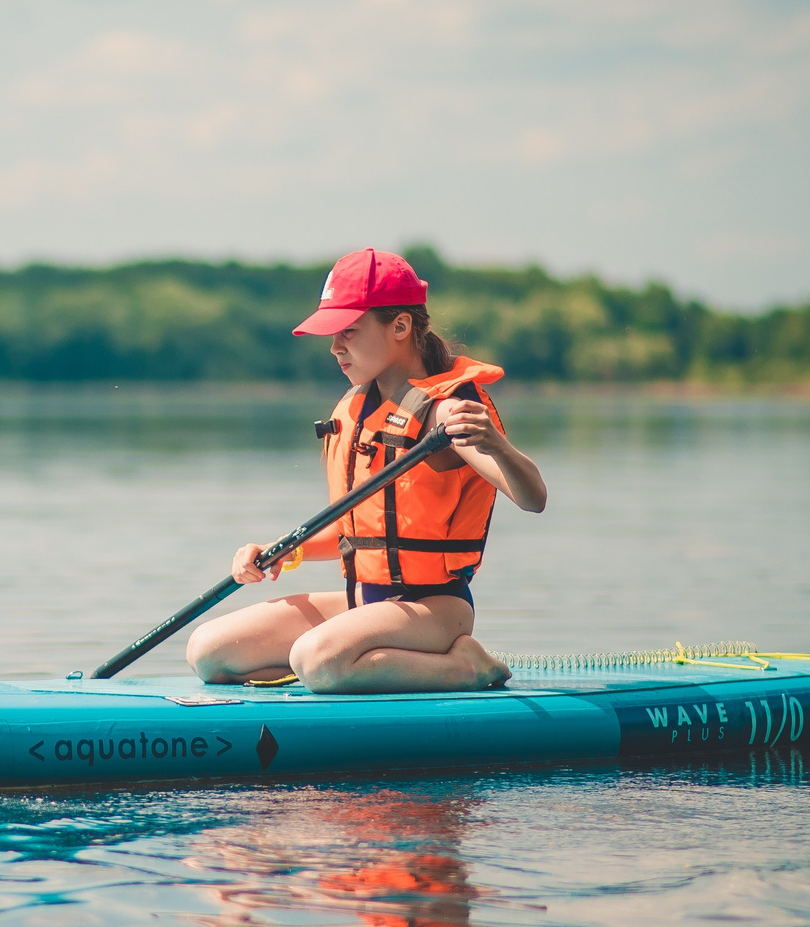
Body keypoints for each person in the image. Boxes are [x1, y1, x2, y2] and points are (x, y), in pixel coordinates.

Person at [185, 248, 547, 693]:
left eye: (349, 332)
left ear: (400, 326)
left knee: (314, 658)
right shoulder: (358, 409)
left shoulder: (444, 413)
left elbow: (534, 500)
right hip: (363, 604)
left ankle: (466, 667)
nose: (336, 347)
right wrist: (282, 549)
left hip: (435, 610)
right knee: (209, 650)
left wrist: (496, 443)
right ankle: (347, 666)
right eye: (332, 334)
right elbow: (358, 531)